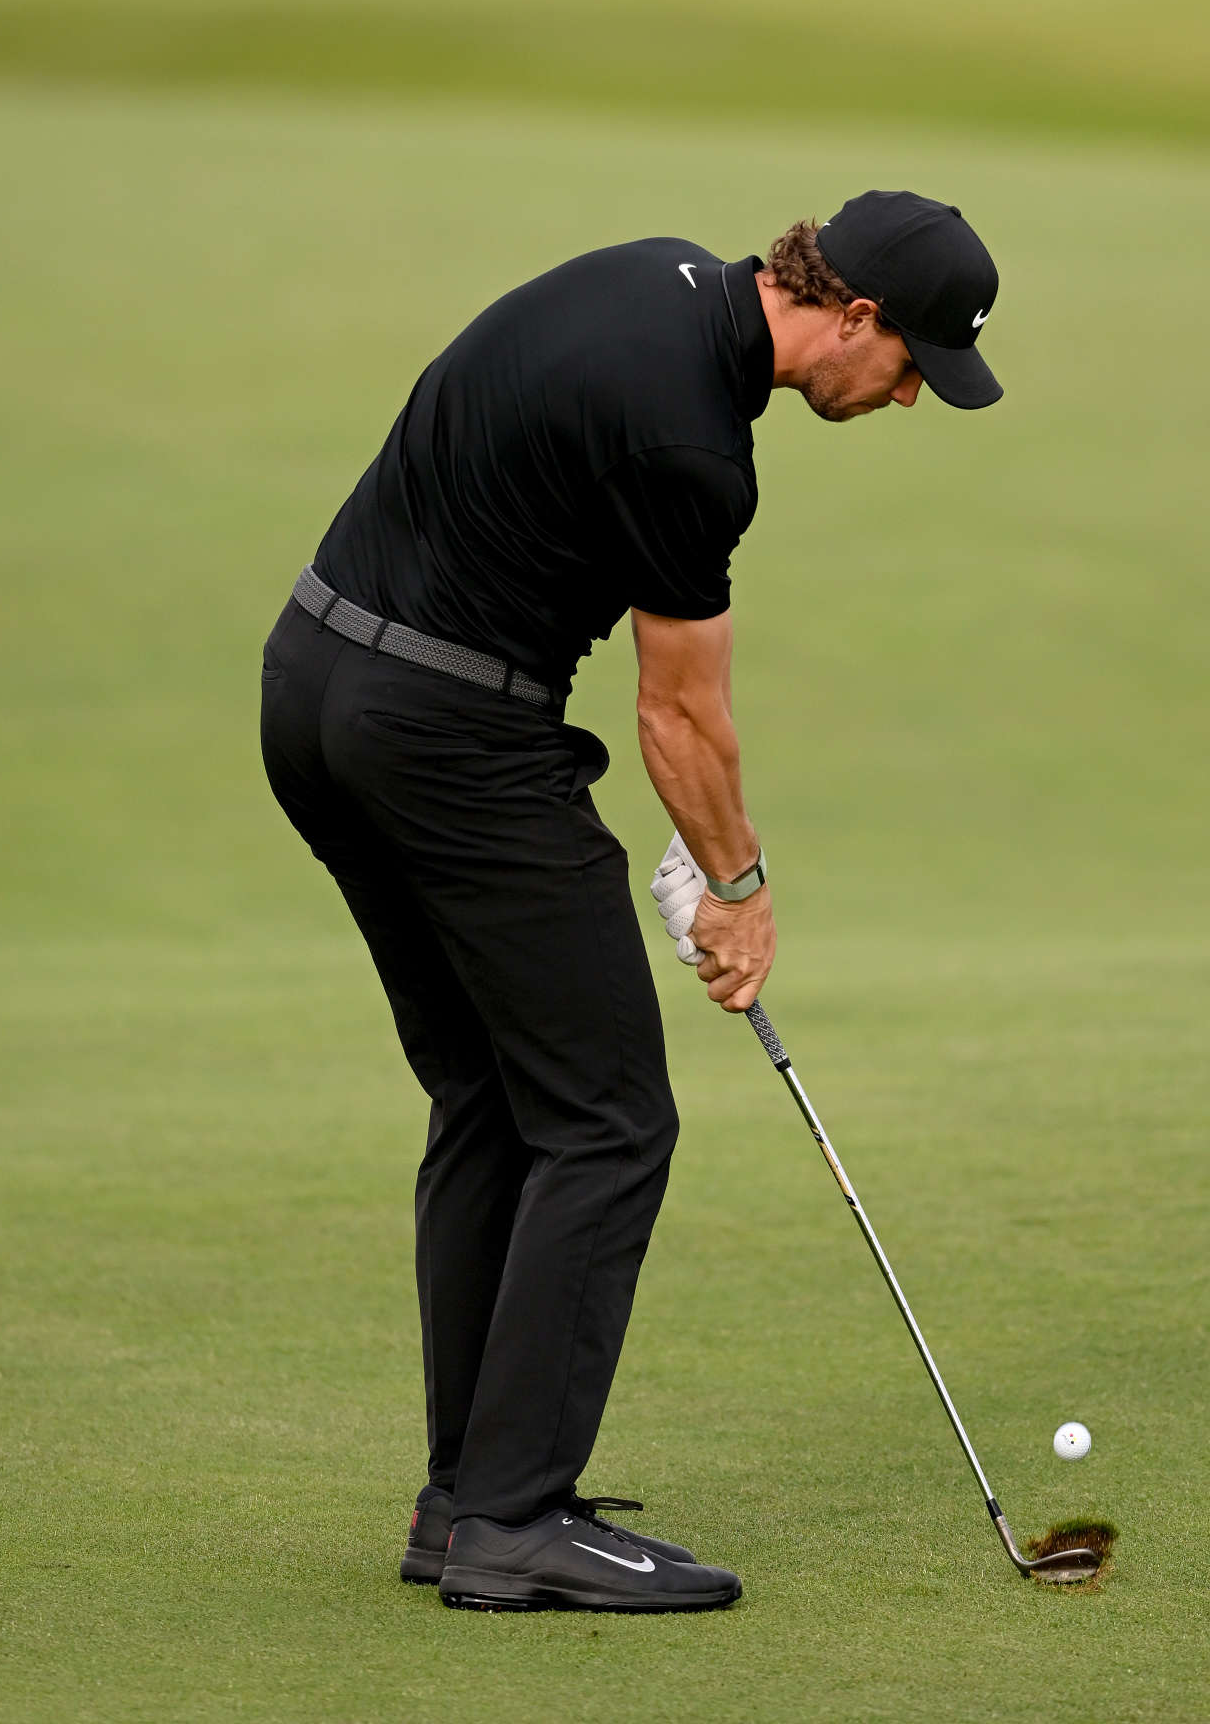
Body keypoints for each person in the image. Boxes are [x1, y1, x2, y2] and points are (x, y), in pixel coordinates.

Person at [259, 193, 1002, 1613]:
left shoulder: (646, 278)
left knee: (494, 1092)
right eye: (913, 365)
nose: (909, 396)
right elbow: (681, 717)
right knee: (607, 1121)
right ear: (852, 316)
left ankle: (465, 1501)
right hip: (443, 737)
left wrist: (686, 837)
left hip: (311, 690)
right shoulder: (695, 447)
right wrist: (736, 887)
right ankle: (514, 1522)